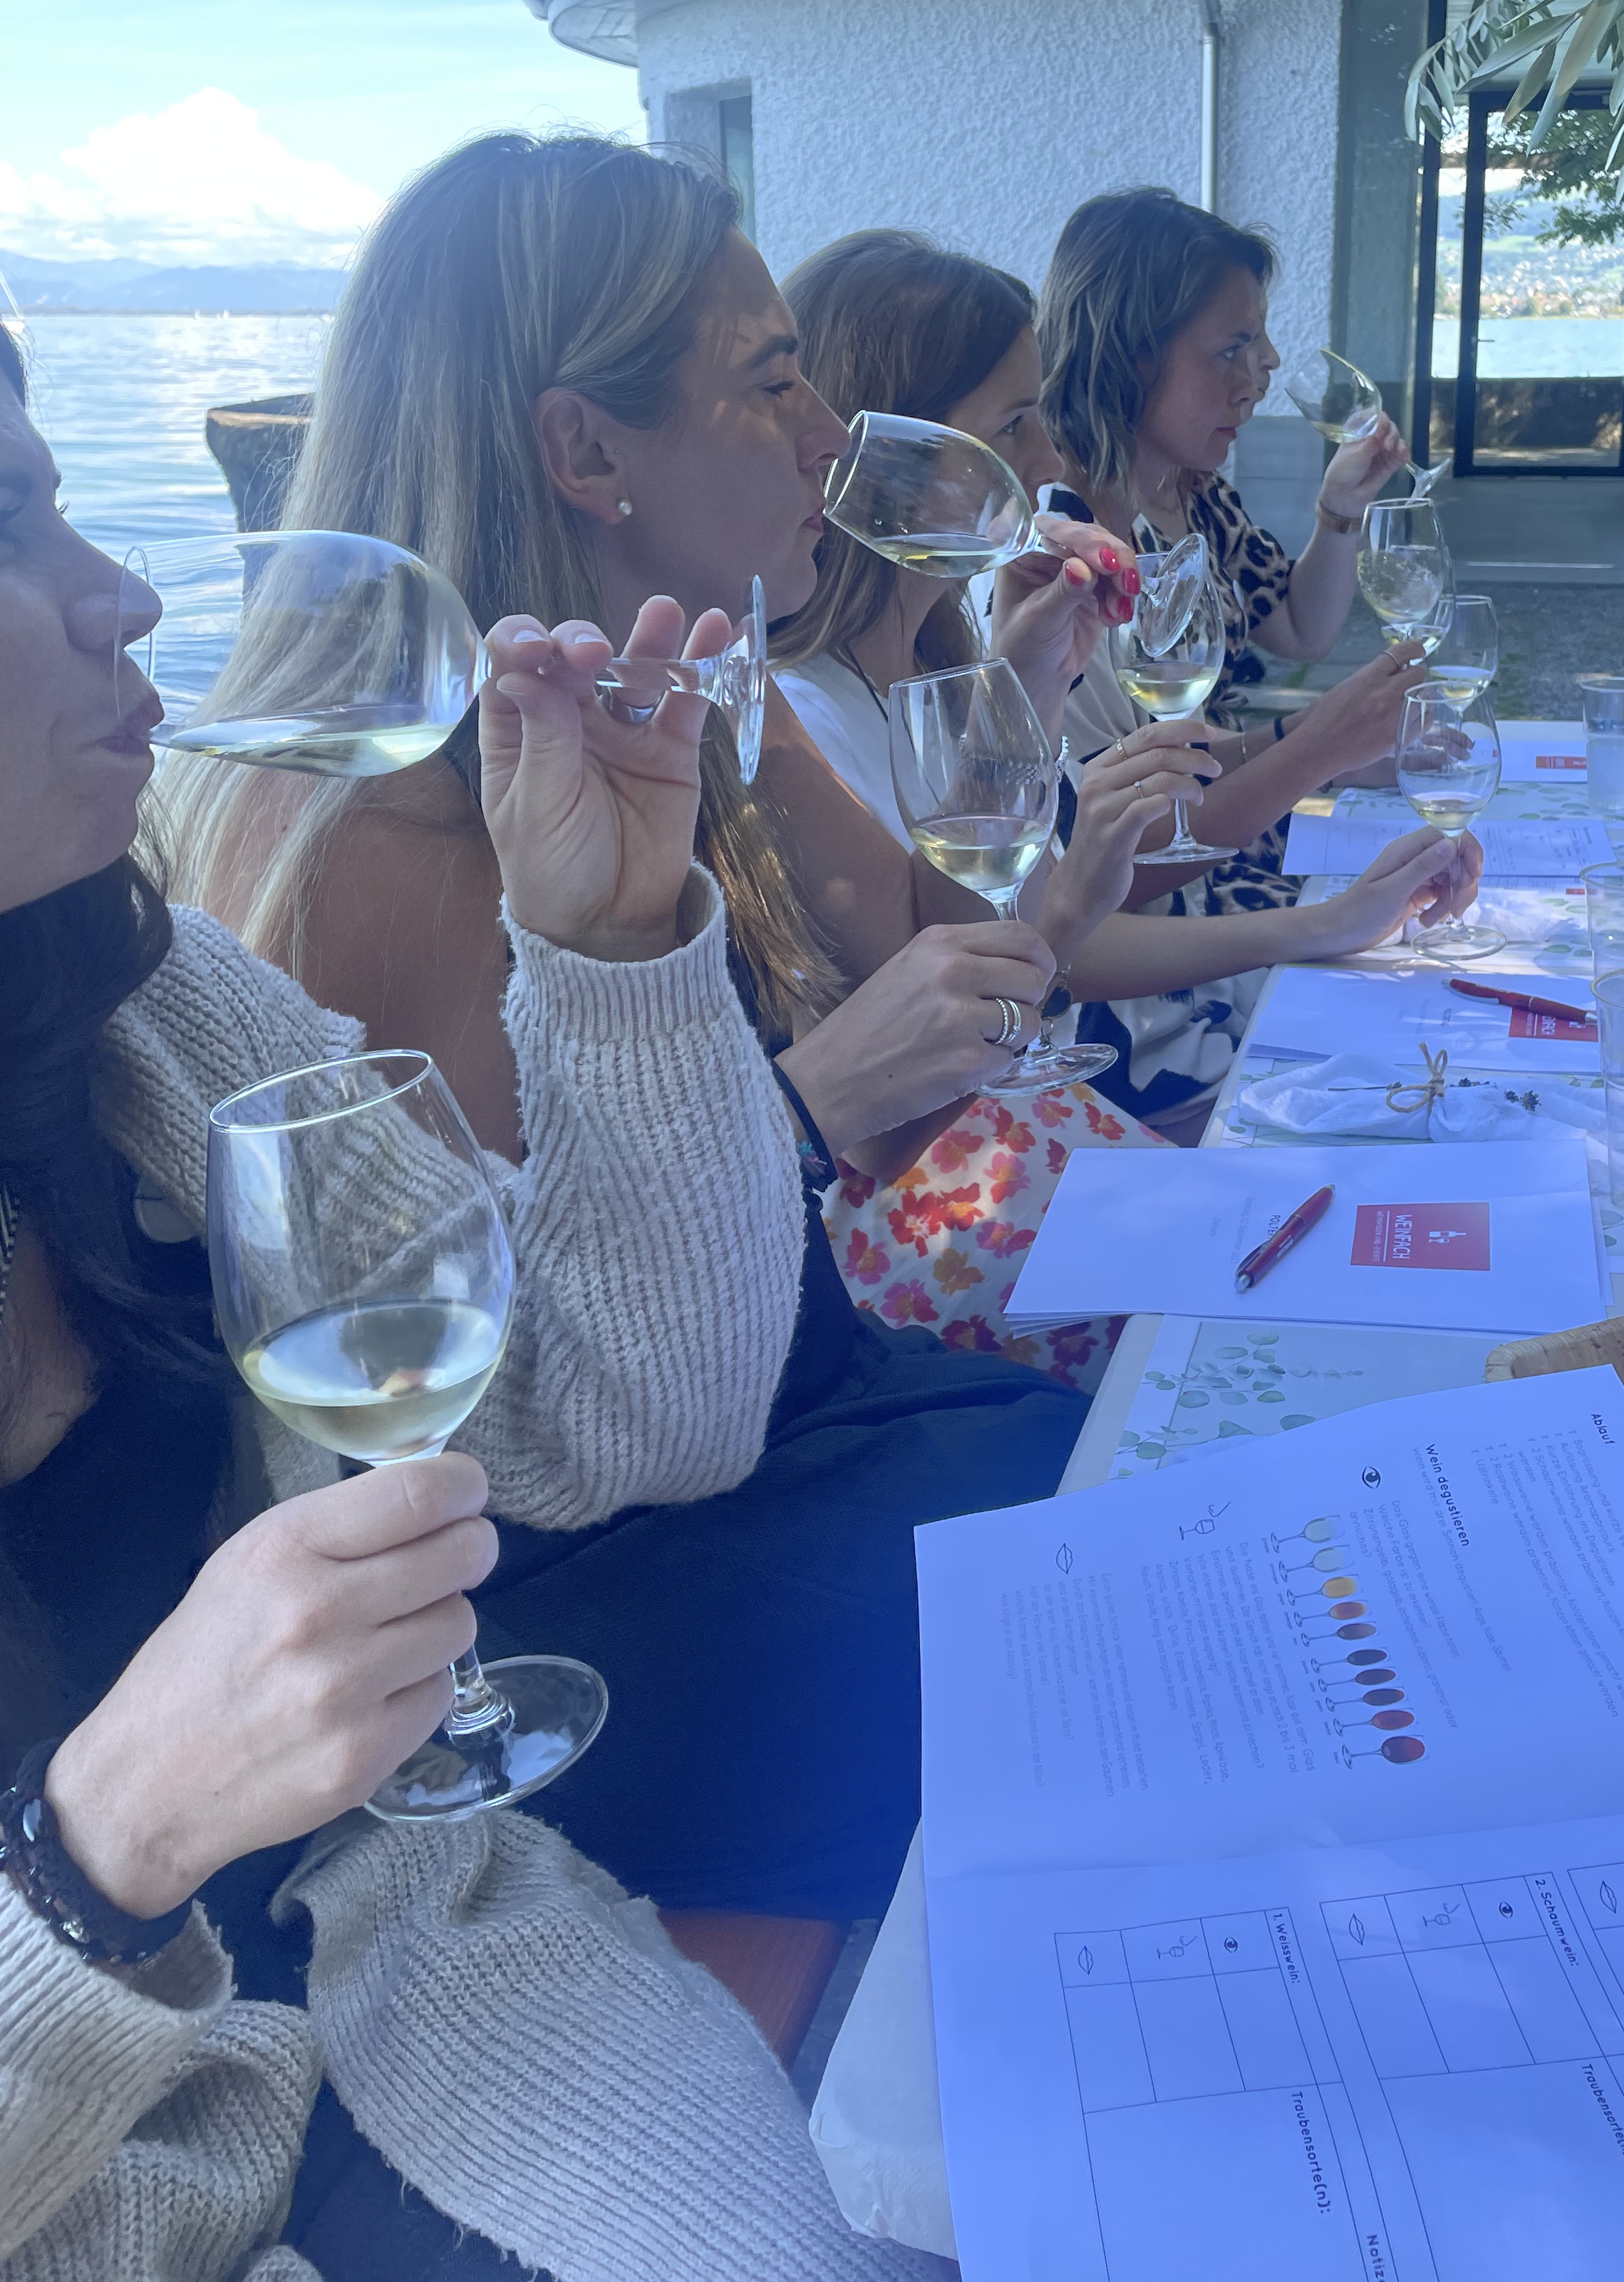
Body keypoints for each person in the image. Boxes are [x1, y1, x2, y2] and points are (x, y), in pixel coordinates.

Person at [0, 322, 932, 2279]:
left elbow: (642, 1426)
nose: (124, 596)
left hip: (416, 1991)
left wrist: (612, 946)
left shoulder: (144, 1017)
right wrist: (100, 1855)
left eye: (66, 506)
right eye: (8, 528)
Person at [155, 133, 1104, 1919]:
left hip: (775, 1425)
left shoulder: (686, 701)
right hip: (580, 1596)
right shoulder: (386, 837)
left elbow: (944, 950)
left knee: (1152, 1473)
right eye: (772, 378)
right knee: (1130, 1617)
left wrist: (1007, 704)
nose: (829, 432)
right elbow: (530, 1411)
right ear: (587, 455)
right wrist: (814, 1096)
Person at [774, 230, 1484, 1346]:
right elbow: (931, 1079)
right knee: (1354, 1261)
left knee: (1419, 1178)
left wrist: (1024, 698)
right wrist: (1311, 828)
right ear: (885, 459)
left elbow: (1033, 926)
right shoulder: (801, 723)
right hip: (948, 1203)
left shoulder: (956, 652)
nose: (1047, 454)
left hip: (1038, 1121)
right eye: (1014, 424)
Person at [1034, 187, 1443, 1110]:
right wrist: (1317, 749)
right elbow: (1111, 867)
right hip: (1154, 1011)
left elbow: (1296, 633)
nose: (1266, 367)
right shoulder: (1057, 562)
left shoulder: (1181, 501)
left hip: (1229, 906)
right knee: (1426, 1046)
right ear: (1128, 355)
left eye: (1259, 342)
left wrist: (1340, 509)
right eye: (1233, 347)